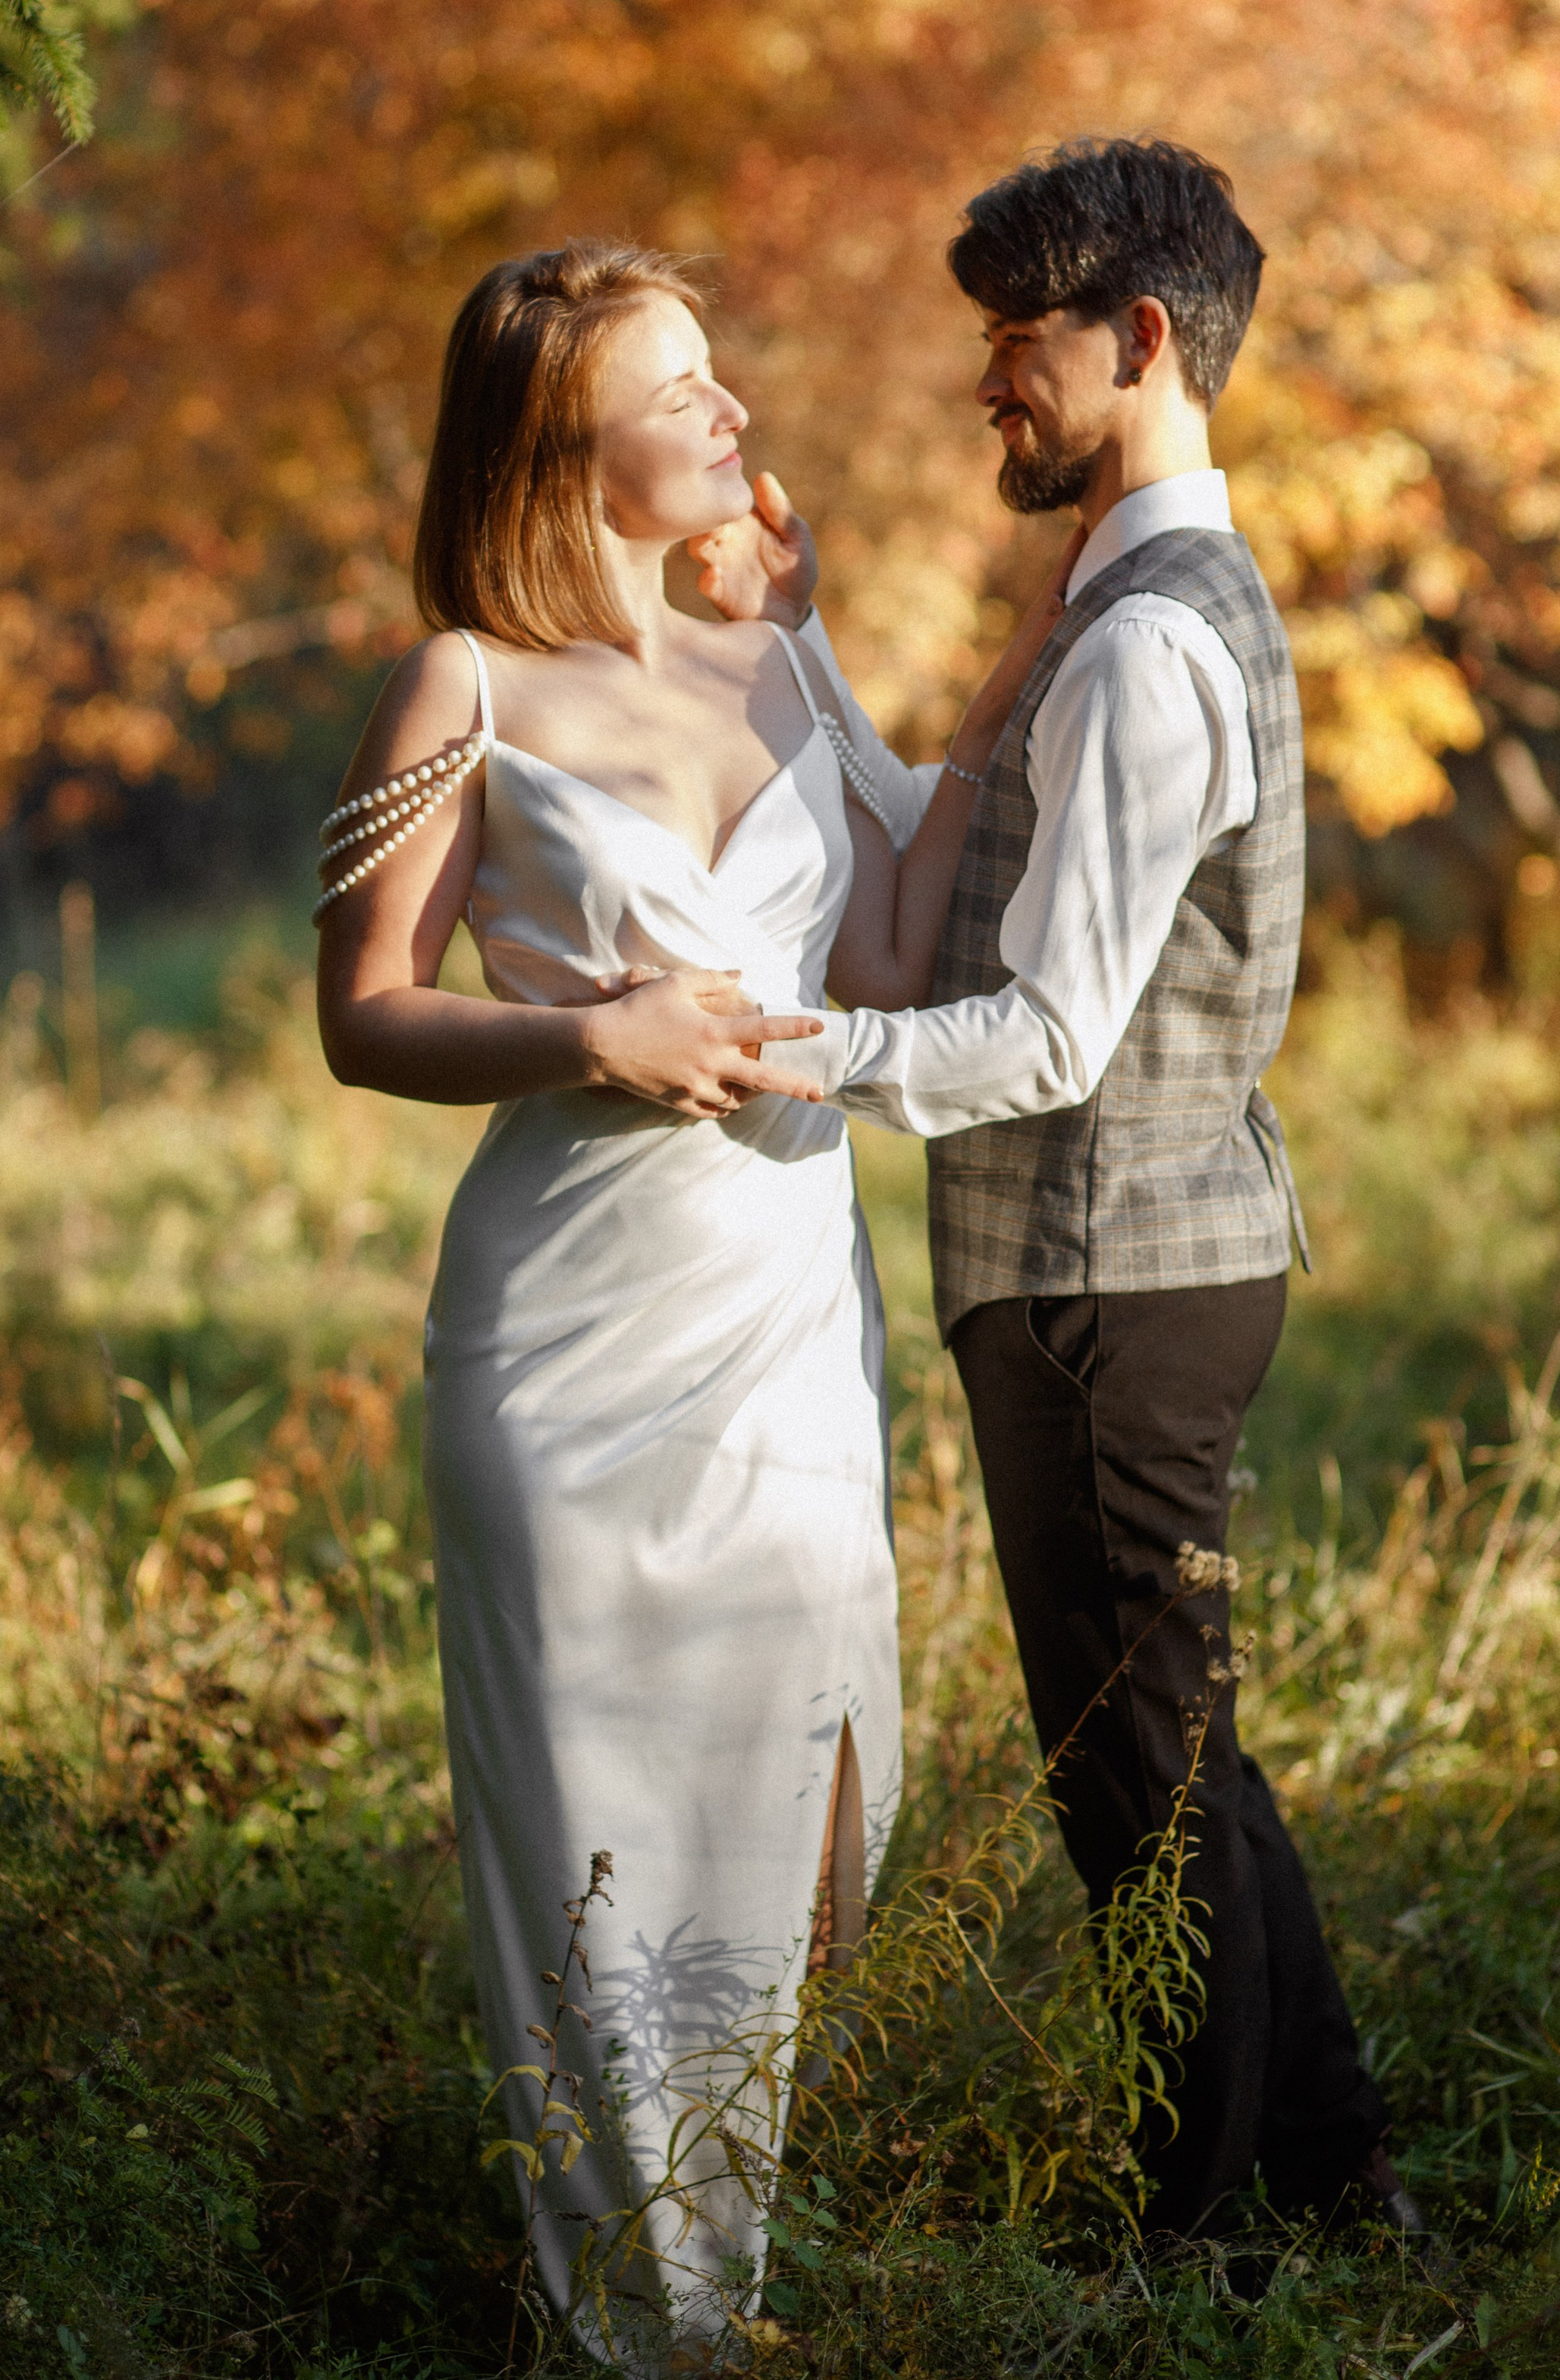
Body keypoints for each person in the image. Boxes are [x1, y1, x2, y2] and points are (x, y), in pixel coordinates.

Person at [314, 240, 1058, 2352]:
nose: (733, 416)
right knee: (599, 1869)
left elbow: (898, 961)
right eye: (684, 390)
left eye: (720, 380)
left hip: (782, 1324)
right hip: (568, 1350)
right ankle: (643, 2330)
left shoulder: (776, 661)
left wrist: (996, 659)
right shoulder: (459, 680)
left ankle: (709, 2278)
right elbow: (361, 1014)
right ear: (568, 448)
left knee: (829, 1813)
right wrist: (584, 1037)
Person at [733, 137, 1419, 2243]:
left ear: (1138, 338)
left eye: (1014, 342)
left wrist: (783, 1058)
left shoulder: (1139, 647)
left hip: (1113, 1289)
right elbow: (952, 851)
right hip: (1113, 1273)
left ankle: (1189, 2248)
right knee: (1179, 1762)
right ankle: (1338, 2185)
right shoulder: (1115, 604)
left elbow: (1040, 1038)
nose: (985, 388)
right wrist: (807, 645)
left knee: (1138, 1793)